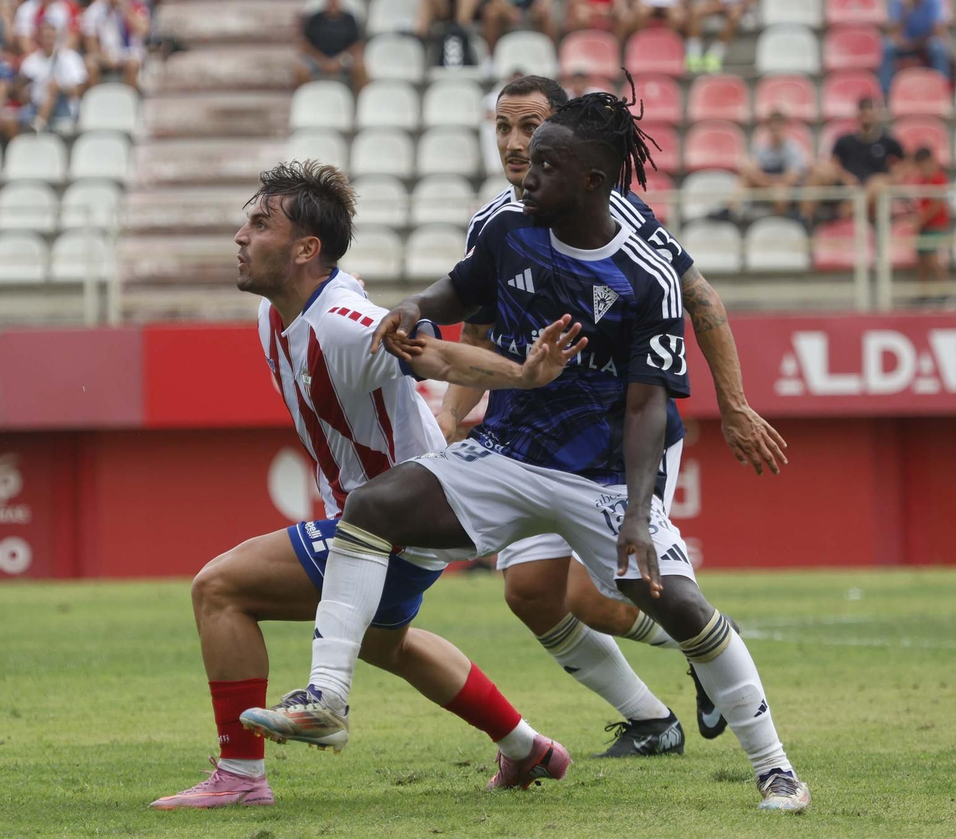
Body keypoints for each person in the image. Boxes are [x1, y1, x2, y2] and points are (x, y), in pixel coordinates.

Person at [243, 91, 811, 814]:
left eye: (545, 163)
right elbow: (464, 287)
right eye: (523, 154)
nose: (526, 173)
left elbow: (645, 406)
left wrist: (638, 516)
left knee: (676, 605)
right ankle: (326, 696)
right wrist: (418, 306)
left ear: (591, 182)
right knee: (376, 508)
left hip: (602, 473)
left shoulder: (644, 273)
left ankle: (777, 770)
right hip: (508, 452)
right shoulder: (511, 225)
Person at [150, 161, 586, 809]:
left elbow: (434, 353)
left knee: (219, 589)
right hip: (396, 524)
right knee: (390, 644)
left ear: (305, 250)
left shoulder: (342, 324)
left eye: (260, 223)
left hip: (396, 524)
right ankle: (526, 747)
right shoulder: (282, 315)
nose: (241, 236)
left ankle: (240, 777)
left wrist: (525, 374)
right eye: (246, 221)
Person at [437, 76, 789, 756]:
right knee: (530, 594)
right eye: (504, 126)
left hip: (615, 440)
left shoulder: (624, 223)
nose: (515, 144)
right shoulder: (494, 224)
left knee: (599, 598)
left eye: (530, 128)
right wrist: (452, 418)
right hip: (527, 440)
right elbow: (476, 333)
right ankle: (651, 721)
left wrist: (736, 406)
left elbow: (700, 301)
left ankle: (709, 644)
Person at [801, 97, 905, 221]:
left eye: (870, 109)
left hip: (872, 188)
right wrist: (847, 178)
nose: (866, 113)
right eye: (863, 109)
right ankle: (805, 221)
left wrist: (889, 178)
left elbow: (905, 163)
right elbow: (834, 163)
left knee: (878, 186)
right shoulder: (844, 141)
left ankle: (844, 213)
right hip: (845, 185)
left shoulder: (888, 142)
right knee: (819, 171)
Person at [880, 0, 950, 92]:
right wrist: (906, 10)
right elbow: (893, 31)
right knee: (888, 47)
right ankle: (886, 92)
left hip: (925, 42)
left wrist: (920, 41)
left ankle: (942, 89)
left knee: (938, 47)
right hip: (905, 43)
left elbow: (939, 30)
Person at [80, 0, 148, 88]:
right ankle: (95, 101)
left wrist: (125, 9)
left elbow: (143, 30)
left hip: (129, 53)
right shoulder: (93, 11)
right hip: (104, 55)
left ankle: (130, 101)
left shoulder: (134, 5)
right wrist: (104, 58)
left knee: (132, 64)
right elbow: (90, 44)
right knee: (89, 64)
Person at [17, 22, 89, 131]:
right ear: (39, 39)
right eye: (45, 37)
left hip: (63, 106)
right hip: (34, 105)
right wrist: (26, 92)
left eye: (51, 37)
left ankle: (38, 124)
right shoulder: (30, 62)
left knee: (53, 87)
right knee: (10, 119)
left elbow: (78, 91)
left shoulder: (70, 58)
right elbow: (21, 94)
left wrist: (60, 88)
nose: (48, 41)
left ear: (57, 38)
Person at [903, 146, 951, 305]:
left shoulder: (938, 178)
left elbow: (937, 205)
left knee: (933, 259)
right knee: (922, 260)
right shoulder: (923, 180)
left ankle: (945, 294)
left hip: (936, 225)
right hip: (925, 226)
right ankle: (923, 294)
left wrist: (920, 220)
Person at [739, 109, 809, 214]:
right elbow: (751, 171)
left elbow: (790, 179)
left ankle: (779, 222)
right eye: (772, 128)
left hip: (784, 189)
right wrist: (771, 184)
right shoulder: (760, 148)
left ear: (784, 127)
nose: (775, 131)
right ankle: (733, 212)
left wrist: (767, 182)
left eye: (778, 128)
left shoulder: (794, 149)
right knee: (743, 180)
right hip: (767, 185)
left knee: (780, 192)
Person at [298, 0, 365, 90]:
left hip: (343, 58)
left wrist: (338, 61)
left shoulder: (349, 19)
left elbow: (356, 44)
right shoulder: (315, 19)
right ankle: (306, 99)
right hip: (319, 58)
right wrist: (322, 60)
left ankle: (361, 99)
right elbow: (305, 44)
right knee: (301, 70)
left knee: (359, 68)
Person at [14, 0, 81, 55]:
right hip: (37, 56)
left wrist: (58, 57)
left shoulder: (69, 7)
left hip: (62, 55)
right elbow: (24, 40)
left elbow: (73, 37)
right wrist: (40, 58)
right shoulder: (27, 9)